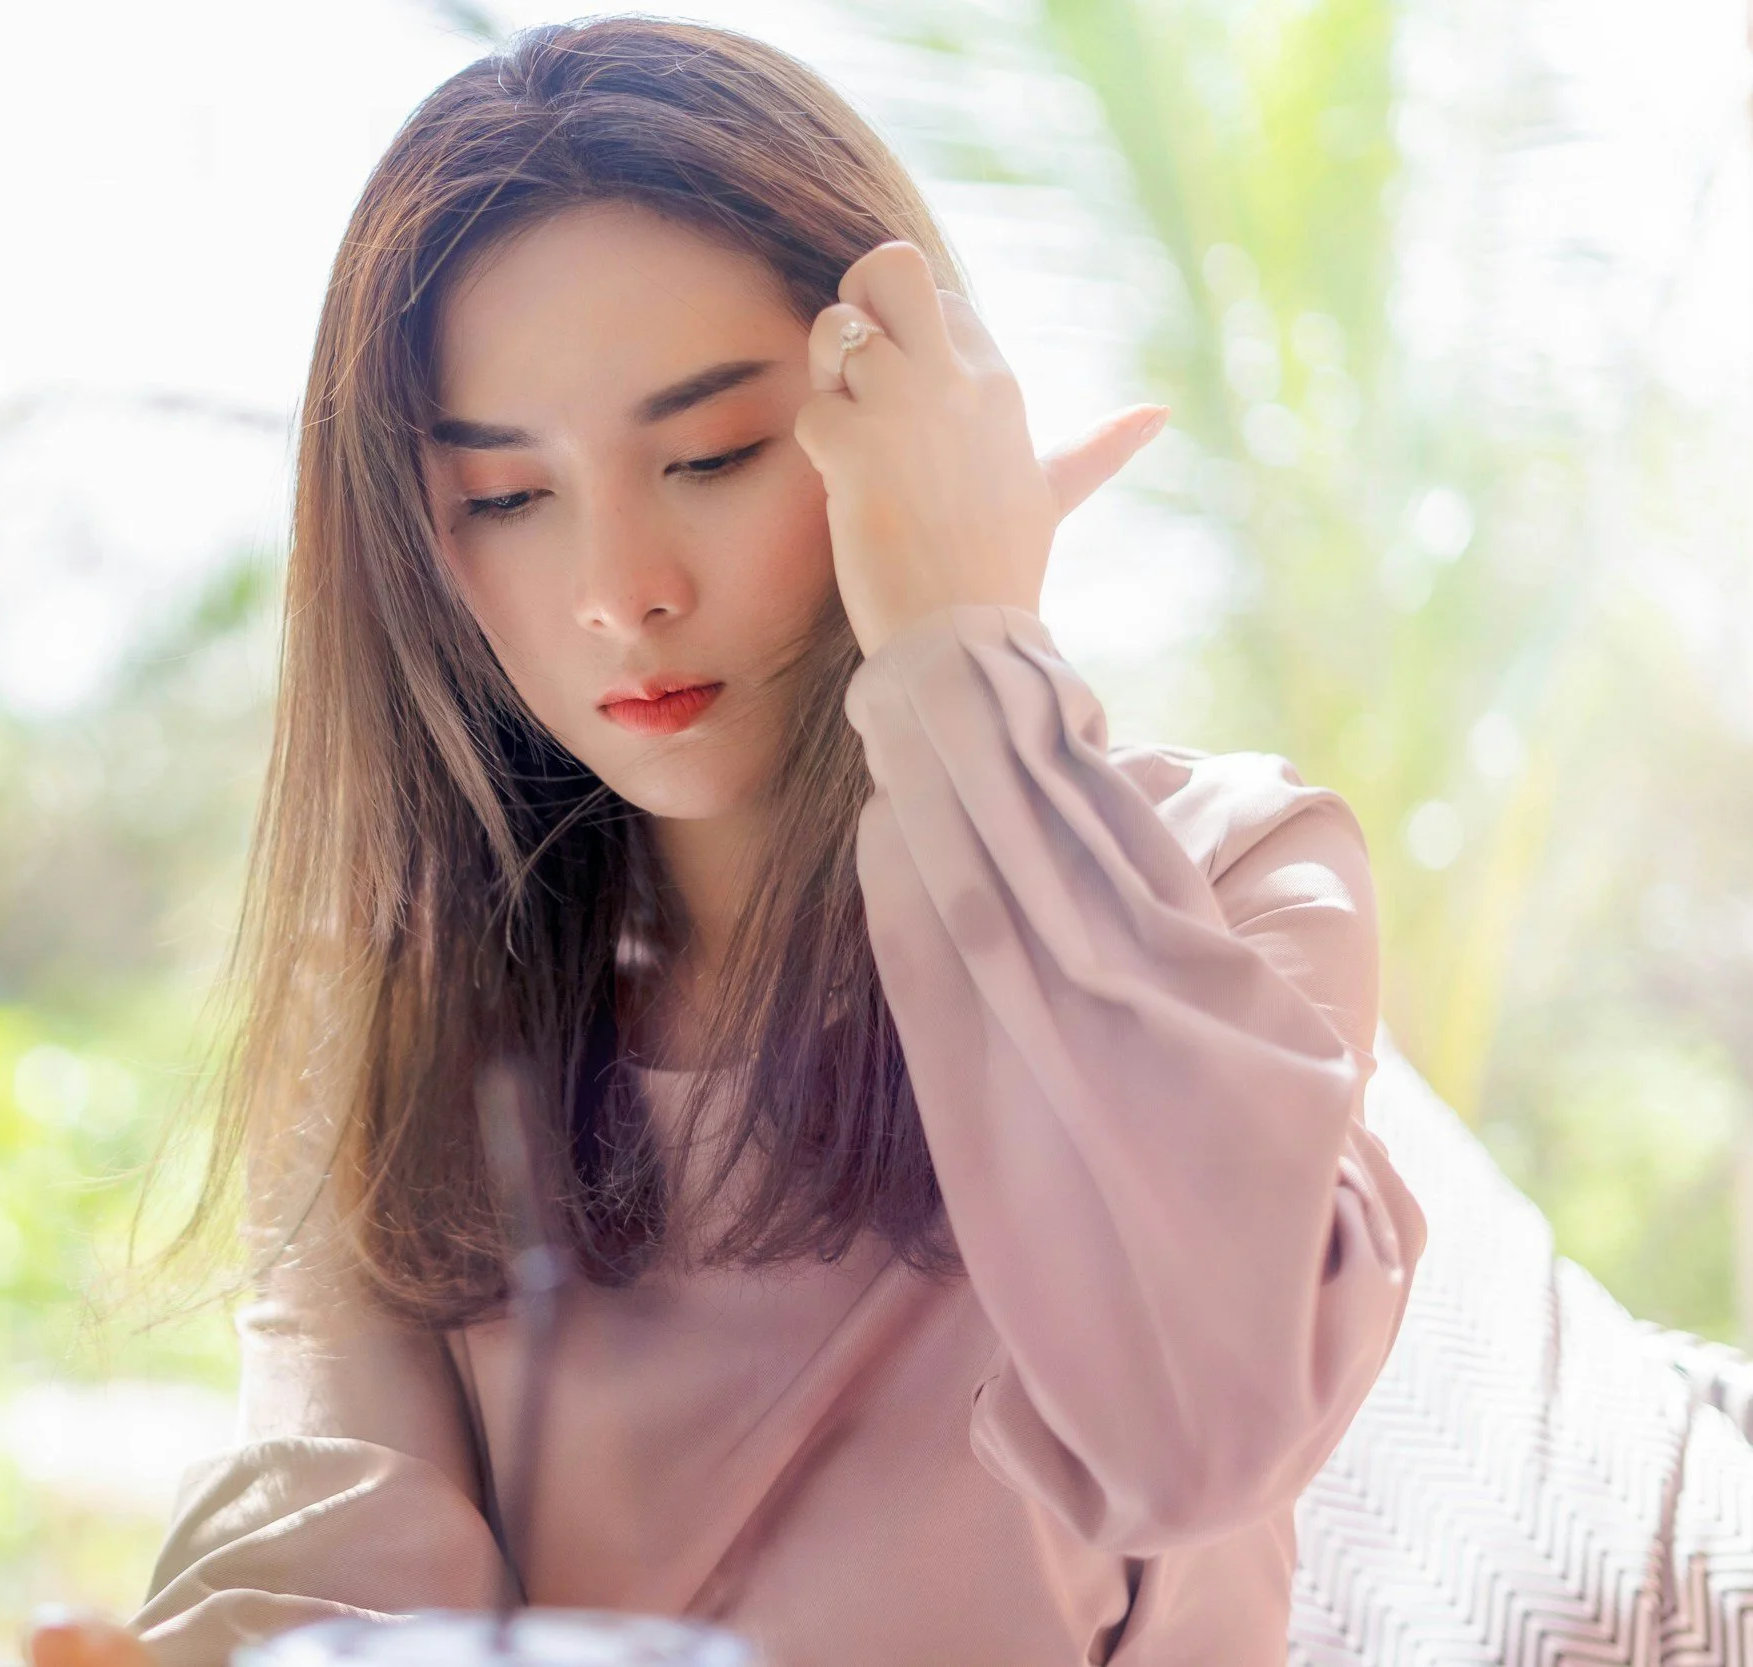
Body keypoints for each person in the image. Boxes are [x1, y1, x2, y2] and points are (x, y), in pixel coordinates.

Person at [121, 14, 1427, 1665]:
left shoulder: (1228, 878)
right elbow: (337, 1555)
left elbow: (1193, 1433)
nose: (621, 588)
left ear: (903, 420)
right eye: (510, 498)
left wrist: (965, 647)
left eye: (714, 454)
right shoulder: (404, 998)